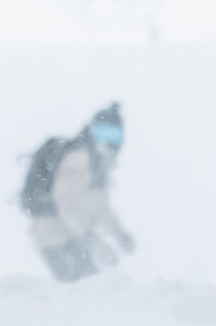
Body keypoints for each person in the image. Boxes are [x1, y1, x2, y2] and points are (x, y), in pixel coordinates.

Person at [21, 103, 137, 282]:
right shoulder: (79, 157)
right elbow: (65, 202)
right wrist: (92, 240)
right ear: (92, 131)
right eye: (103, 134)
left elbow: (99, 206)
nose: (108, 142)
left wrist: (119, 233)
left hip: (66, 237)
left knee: (90, 289)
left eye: (114, 136)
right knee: (86, 290)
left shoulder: (96, 164)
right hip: (55, 236)